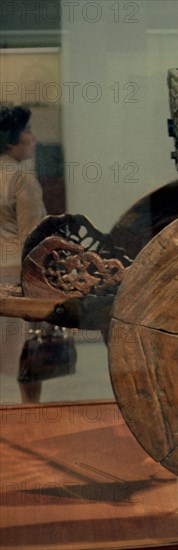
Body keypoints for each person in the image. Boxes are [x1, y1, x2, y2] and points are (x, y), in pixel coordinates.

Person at [0, 105, 47, 402]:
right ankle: (30, 414)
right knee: (29, 355)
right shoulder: (20, 178)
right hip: (15, 277)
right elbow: (34, 237)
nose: (34, 139)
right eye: (28, 132)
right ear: (10, 142)